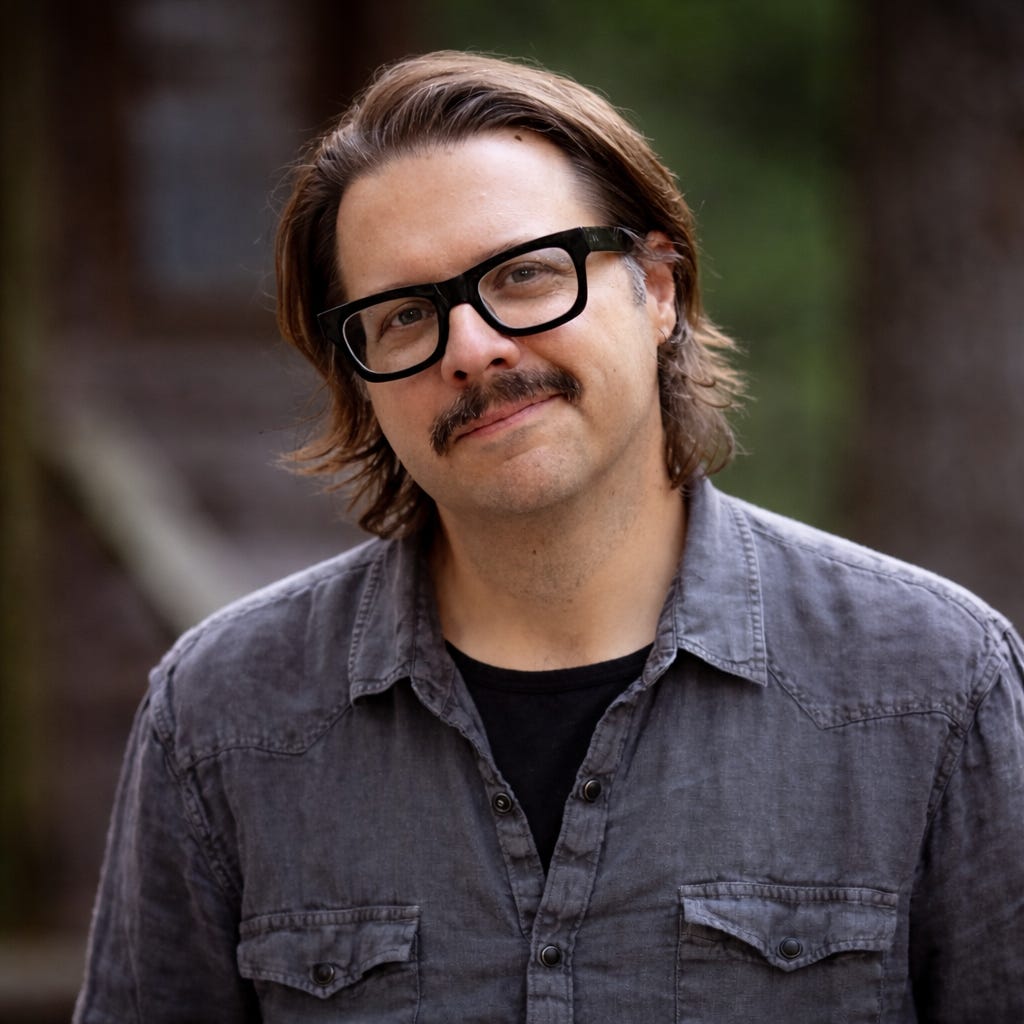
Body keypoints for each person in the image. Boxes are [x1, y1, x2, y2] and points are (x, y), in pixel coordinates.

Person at [74, 51, 1023, 1023]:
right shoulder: (224, 716)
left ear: (657, 288)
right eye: (403, 316)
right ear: (357, 378)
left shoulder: (933, 683)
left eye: (525, 274)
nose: (472, 346)